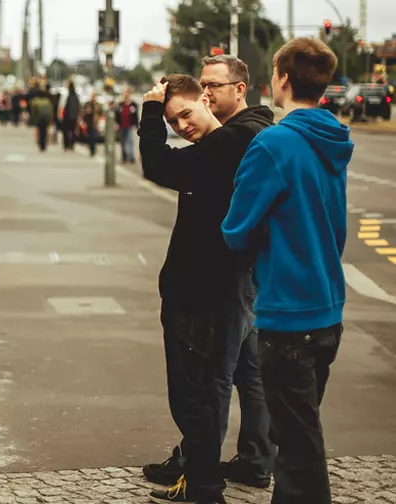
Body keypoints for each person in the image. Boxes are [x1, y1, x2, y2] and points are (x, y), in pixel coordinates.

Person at [221, 37, 353, 504]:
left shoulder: (273, 144)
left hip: (286, 315)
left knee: (298, 450)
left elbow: (236, 230)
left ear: (281, 79)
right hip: (327, 311)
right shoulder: (334, 138)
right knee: (296, 433)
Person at [138, 72, 275, 504]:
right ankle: (216, 477)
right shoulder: (227, 144)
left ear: (205, 100)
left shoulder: (227, 145)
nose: (181, 126)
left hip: (203, 294)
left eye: (185, 114)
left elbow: (156, 164)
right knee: (222, 382)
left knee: (196, 394)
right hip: (216, 288)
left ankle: (203, 487)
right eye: (173, 121)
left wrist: (148, 111)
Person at [29, 87, 54, 152]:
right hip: (46, 118)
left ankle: (41, 144)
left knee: (40, 132)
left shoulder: (35, 101)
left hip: (39, 119)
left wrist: (32, 120)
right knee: (44, 131)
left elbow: (33, 112)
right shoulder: (47, 101)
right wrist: (51, 119)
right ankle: (44, 144)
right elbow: (51, 111)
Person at [117, 90, 139, 163]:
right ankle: (124, 157)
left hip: (129, 126)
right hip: (121, 126)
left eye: (127, 95)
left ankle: (131, 157)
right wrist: (116, 124)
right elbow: (117, 115)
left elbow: (136, 116)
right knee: (122, 142)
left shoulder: (133, 105)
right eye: (125, 95)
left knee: (130, 141)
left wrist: (136, 125)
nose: (126, 97)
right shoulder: (120, 105)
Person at [61, 81, 80, 151]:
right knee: (73, 131)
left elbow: (63, 106)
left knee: (66, 131)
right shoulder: (76, 96)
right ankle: (72, 144)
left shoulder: (67, 95)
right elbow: (78, 107)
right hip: (74, 117)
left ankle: (66, 145)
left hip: (68, 116)